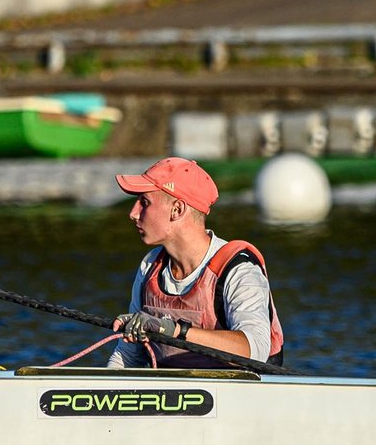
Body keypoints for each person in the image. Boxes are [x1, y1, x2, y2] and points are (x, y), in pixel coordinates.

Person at [109, 157, 285, 370]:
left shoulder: (238, 269)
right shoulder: (150, 266)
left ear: (177, 209)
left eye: (144, 202)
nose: (133, 213)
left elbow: (255, 351)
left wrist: (173, 330)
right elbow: (129, 358)